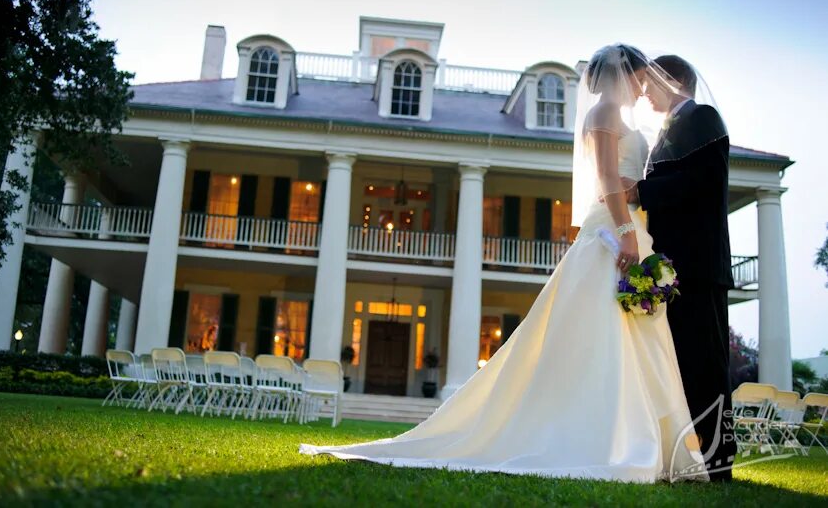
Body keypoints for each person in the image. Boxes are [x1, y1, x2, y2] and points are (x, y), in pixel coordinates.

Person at [299, 44, 709, 484]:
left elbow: (628, 180)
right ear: (621, 75)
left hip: (633, 227)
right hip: (614, 232)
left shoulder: (623, 119)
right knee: (600, 332)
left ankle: (646, 440)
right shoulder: (604, 114)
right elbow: (607, 178)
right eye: (638, 76)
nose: (642, 85)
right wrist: (626, 234)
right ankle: (601, 436)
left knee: (634, 335)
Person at [628, 54, 736, 482]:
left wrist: (640, 190)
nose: (644, 92)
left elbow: (704, 183)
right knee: (682, 364)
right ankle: (688, 458)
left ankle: (720, 462)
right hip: (673, 267)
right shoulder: (668, 129)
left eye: (650, 83)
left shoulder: (703, 117)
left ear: (672, 80)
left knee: (707, 366)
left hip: (700, 263)